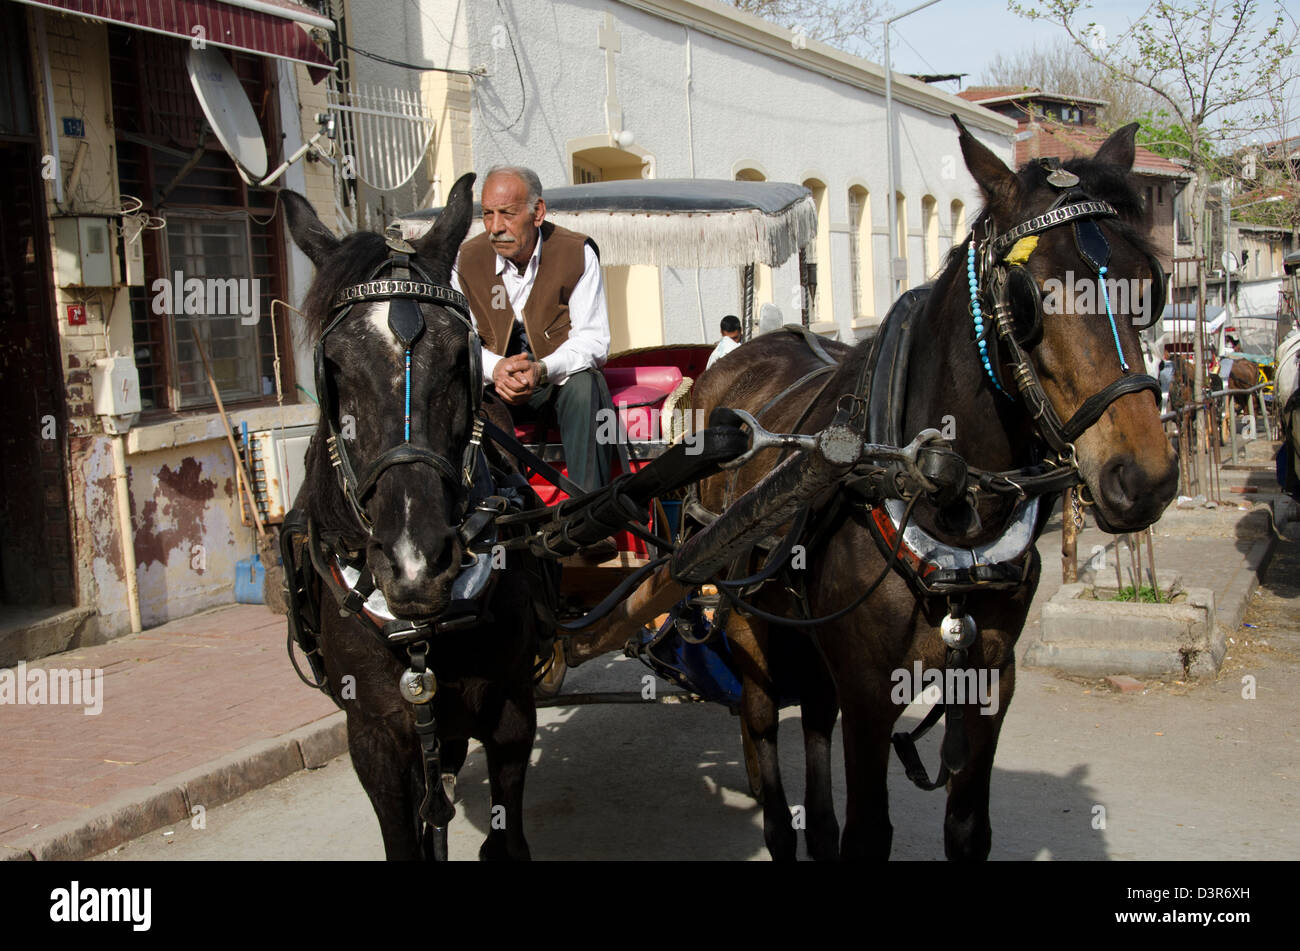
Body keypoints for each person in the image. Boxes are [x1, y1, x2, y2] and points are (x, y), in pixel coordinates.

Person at [451, 166, 615, 498]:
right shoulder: (466, 260)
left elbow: (593, 339)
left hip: (553, 384)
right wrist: (496, 368)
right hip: (490, 387)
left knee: (587, 383)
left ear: (537, 212)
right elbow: (457, 336)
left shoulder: (576, 253)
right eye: (487, 215)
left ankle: (588, 514)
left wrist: (541, 370)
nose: (496, 227)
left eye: (507, 214)